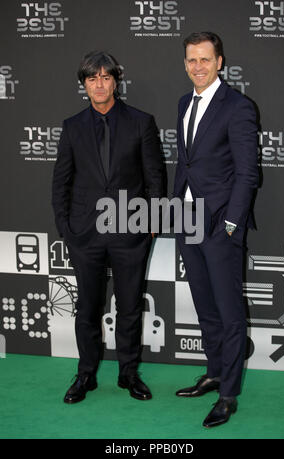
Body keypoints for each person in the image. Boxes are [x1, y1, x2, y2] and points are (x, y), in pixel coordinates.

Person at [52, 51, 165, 404]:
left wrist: (151, 224)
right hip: (84, 234)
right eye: (91, 78)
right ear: (84, 84)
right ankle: (86, 373)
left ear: (116, 80)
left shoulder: (140, 122)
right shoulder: (72, 127)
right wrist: (66, 229)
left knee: (130, 305)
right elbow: (62, 183)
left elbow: (155, 178)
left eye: (105, 77)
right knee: (87, 307)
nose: (99, 84)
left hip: (130, 232)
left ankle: (128, 373)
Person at [173, 32, 259, 427]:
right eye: (192, 60)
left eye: (205, 59)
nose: (198, 67)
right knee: (205, 306)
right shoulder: (184, 103)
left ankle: (229, 394)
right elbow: (185, 165)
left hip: (220, 224)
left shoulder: (238, 107)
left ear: (219, 62)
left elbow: (247, 173)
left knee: (229, 313)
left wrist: (230, 223)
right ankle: (214, 372)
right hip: (187, 220)